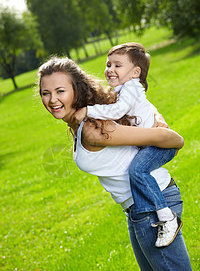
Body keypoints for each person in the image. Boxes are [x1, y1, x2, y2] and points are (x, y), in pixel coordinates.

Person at [38, 56, 192, 271]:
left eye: (60, 91)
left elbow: (169, 139)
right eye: (46, 93)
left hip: (153, 205)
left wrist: (169, 135)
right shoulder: (81, 123)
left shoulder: (93, 130)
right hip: (137, 208)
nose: (52, 99)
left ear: (77, 90)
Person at [73, 42, 180, 247]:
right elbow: (146, 106)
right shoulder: (125, 89)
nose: (110, 69)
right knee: (138, 169)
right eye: (108, 64)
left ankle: (167, 217)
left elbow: (117, 112)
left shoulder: (131, 86)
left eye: (117, 65)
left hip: (158, 145)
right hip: (152, 144)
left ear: (135, 72)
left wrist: (88, 111)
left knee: (137, 170)